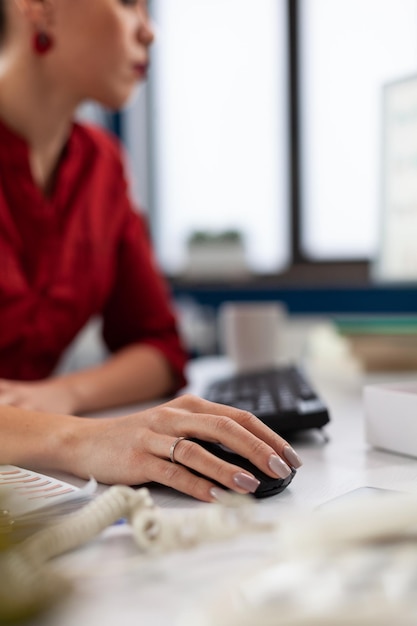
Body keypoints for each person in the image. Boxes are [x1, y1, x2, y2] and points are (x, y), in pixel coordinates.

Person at [0, 0, 302, 502]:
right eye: (125, 3)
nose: (150, 31)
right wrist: (80, 438)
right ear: (39, 8)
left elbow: (159, 348)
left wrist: (63, 394)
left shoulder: (102, 166)